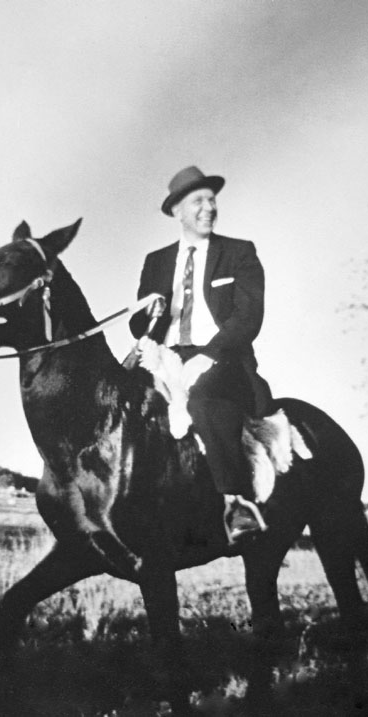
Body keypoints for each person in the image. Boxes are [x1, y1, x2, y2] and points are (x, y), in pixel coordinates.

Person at [130, 166, 273, 542]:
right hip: (168, 354)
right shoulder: (156, 261)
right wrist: (150, 315)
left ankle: (237, 503)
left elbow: (247, 317)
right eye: (198, 201)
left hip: (222, 358)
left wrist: (208, 355)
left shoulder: (240, 252)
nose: (208, 208)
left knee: (205, 401)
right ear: (177, 211)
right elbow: (139, 327)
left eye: (212, 200)